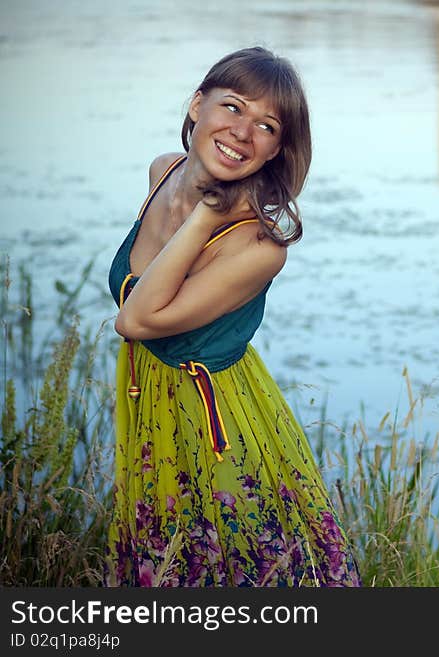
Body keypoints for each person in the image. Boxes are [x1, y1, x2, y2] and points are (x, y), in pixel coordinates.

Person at [106, 47, 362, 587]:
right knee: (166, 564)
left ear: (276, 151)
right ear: (197, 105)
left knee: (244, 568)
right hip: (148, 398)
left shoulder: (260, 247)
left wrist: (208, 212)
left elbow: (135, 321)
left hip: (218, 416)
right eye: (233, 107)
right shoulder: (162, 171)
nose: (243, 132)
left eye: (266, 125)